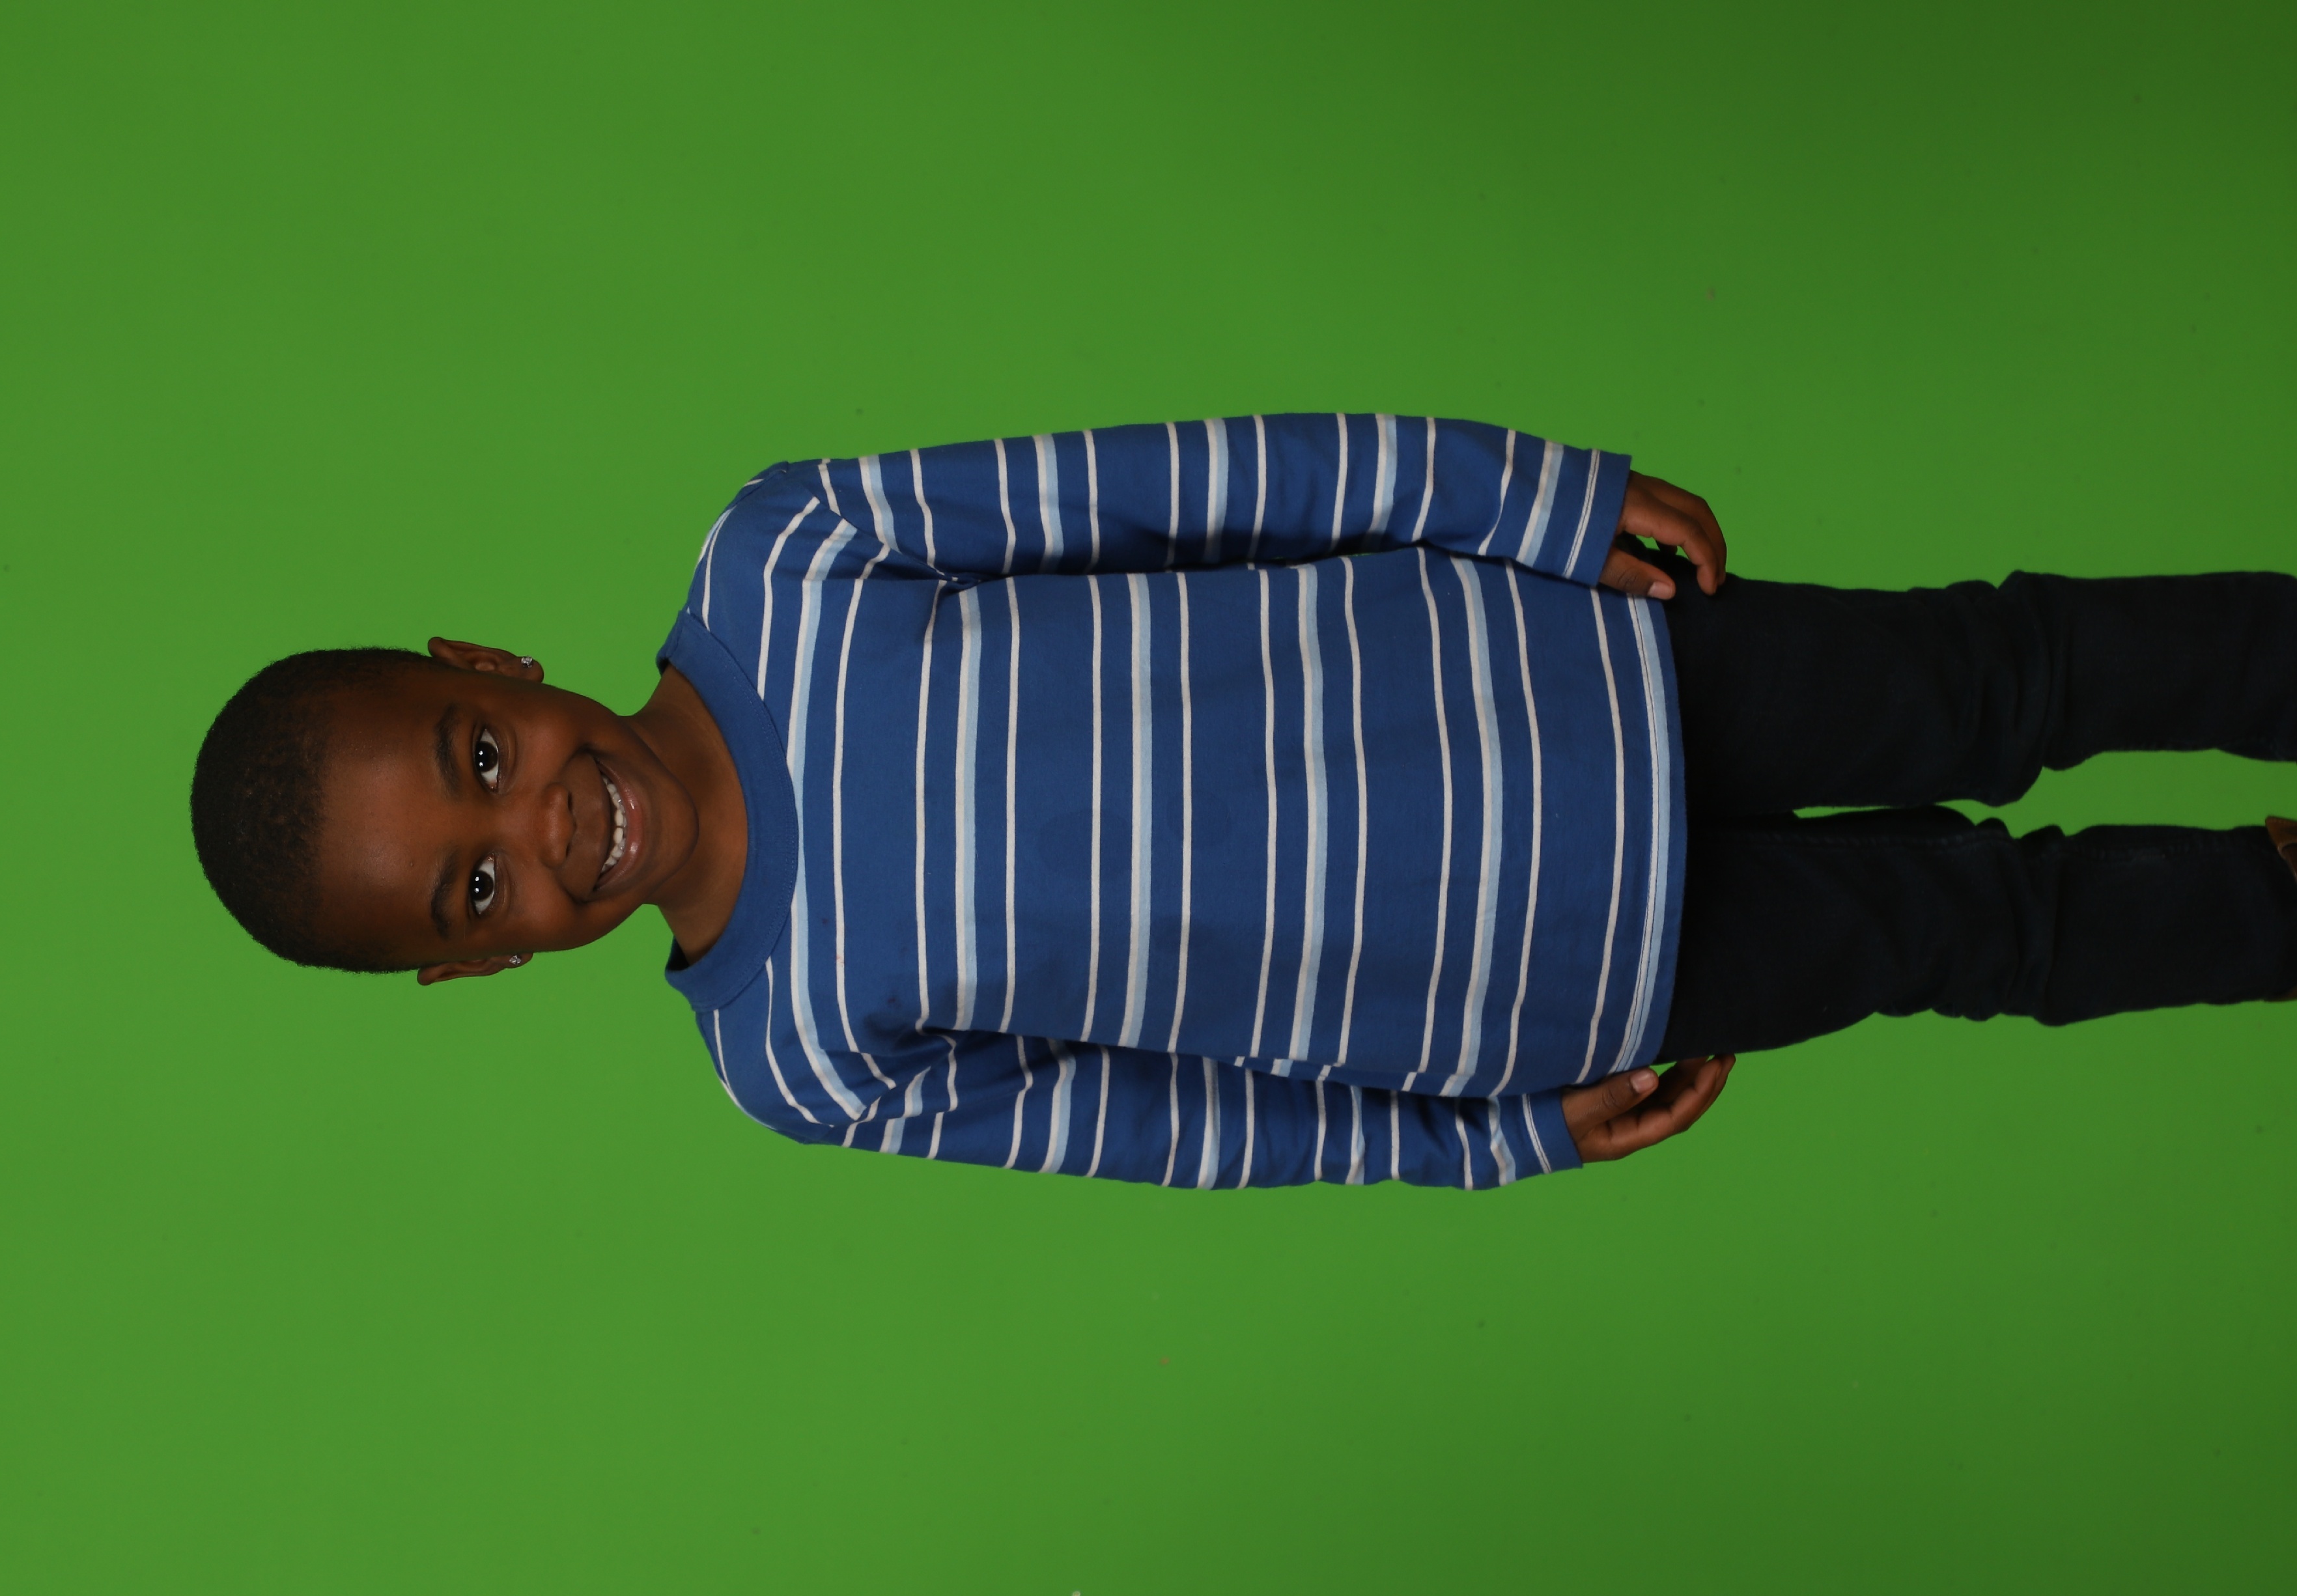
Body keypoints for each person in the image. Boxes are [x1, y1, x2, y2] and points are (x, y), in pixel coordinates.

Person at [188, 415, 2297, 1187]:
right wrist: (1480, 1142)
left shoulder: (792, 555)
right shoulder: (795, 1061)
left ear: (484, 667)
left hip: (1572, 668)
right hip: (1546, 991)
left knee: (1997, 680)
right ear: (476, 969)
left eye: (481, 767)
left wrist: (1521, 496)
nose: (541, 834)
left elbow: (1187, 485)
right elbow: (1171, 1130)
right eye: (474, 893)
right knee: (1976, 936)